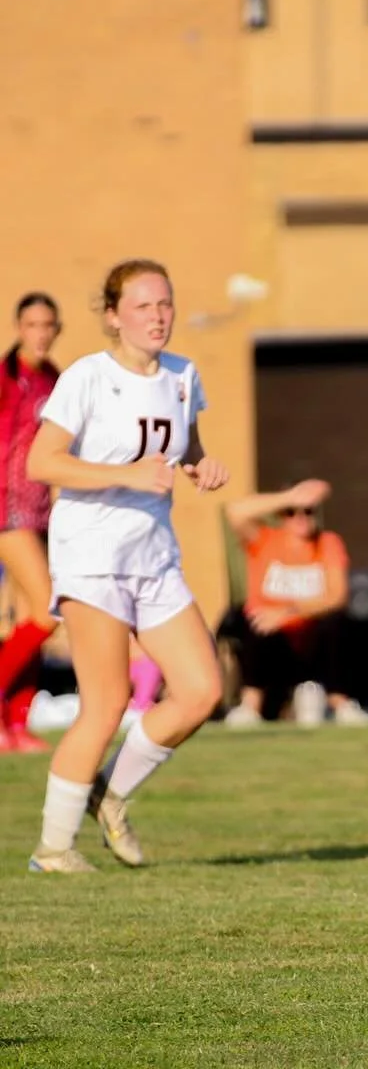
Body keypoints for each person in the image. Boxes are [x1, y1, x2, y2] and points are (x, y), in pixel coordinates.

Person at [24, 259, 228, 872]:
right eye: (142, 306)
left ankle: (108, 794)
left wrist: (202, 464)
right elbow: (43, 463)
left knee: (201, 691)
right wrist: (124, 474)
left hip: (154, 554)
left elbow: (182, 445)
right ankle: (52, 850)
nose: (158, 316)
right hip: (91, 554)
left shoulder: (183, 375)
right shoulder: (88, 377)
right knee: (107, 703)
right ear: (113, 316)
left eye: (164, 303)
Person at [220, 478, 368, 727]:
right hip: (271, 641)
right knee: (252, 618)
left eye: (308, 511)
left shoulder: (327, 543)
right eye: (291, 513)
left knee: (337, 622)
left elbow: (336, 596)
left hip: (311, 639)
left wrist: (287, 611)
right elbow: (234, 511)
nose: (300, 517)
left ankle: (341, 704)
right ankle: (250, 706)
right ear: (281, 516)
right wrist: (291, 497)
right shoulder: (265, 539)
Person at [0, 293, 63, 752]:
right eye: (32, 325)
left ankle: (16, 725)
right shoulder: (6, 378)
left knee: (27, 618)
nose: (40, 334)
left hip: (40, 511)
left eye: (47, 325)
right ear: (19, 328)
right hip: (6, 509)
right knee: (47, 610)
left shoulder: (55, 380)